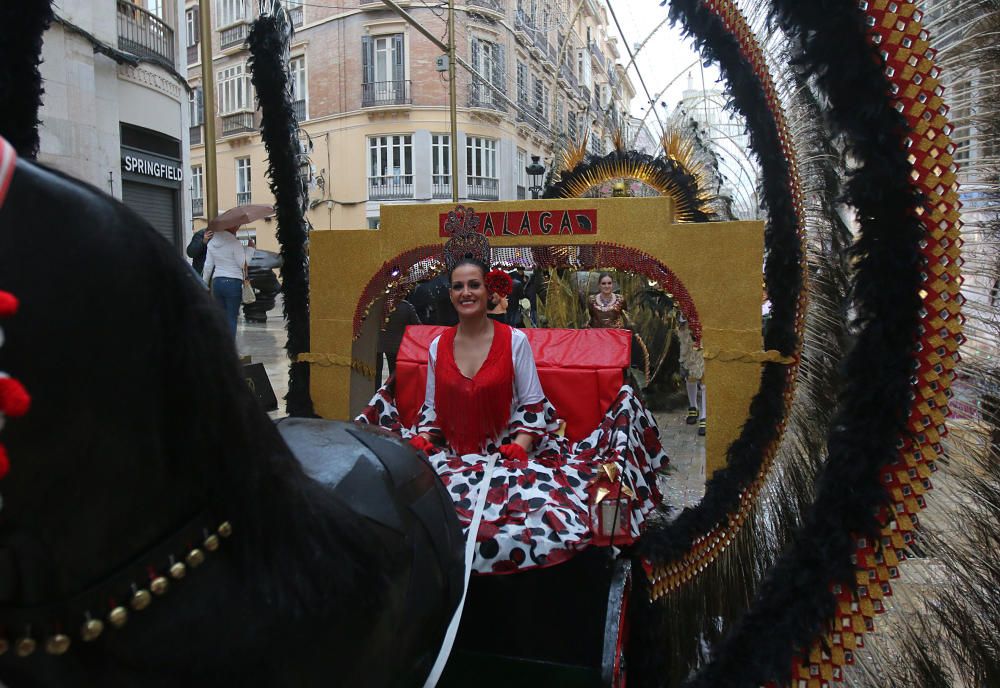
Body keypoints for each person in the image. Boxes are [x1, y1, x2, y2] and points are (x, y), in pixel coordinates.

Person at [357, 254, 667, 573]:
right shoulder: (437, 346)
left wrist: (519, 446)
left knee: (535, 524)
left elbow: (533, 405)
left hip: (508, 460)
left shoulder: (515, 341)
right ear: (450, 294)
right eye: (458, 286)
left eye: (474, 285)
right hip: (452, 457)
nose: (466, 292)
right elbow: (433, 410)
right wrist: (424, 439)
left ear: (487, 290)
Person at [202, 225, 249, 337]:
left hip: (217, 282)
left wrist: (204, 283)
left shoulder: (211, 243)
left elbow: (208, 266)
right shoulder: (234, 243)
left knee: (221, 318)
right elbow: (242, 264)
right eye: (237, 226)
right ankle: (230, 350)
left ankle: (220, 348)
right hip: (233, 283)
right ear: (230, 227)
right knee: (231, 317)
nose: (238, 228)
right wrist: (250, 249)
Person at [376, 297, 421, 383]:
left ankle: (376, 393)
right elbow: (417, 326)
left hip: (378, 344)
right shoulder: (406, 306)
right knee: (394, 374)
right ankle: (392, 393)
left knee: (376, 374)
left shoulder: (378, 305)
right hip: (396, 345)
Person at [678, 314, 707, 436]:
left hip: (708, 330)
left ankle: (704, 416)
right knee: (690, 373)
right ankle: (693, 406)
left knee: (706, 374)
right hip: (688, 333)